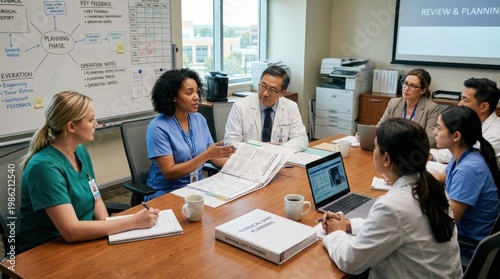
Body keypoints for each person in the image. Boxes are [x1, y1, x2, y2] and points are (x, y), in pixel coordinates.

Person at [18, 91, 160, 254]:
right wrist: (132, 222)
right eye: (91, 120)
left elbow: (95, 196)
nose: (96, 124)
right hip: (47, 250)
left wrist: (110, 228)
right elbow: (71, 231)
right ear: (71, 126)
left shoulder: (80, 151)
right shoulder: (44, 167)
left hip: (82, 239)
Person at [322, 118, 462, 278]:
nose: (373, 151)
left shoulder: (392, 206)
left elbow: (350, 261)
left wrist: (336, 233)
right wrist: (348, 225)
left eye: (375, 147)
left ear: (387, 159)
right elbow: (399, 228)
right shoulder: (431, 185)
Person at [146, 68, 235, 200]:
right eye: (189, 93)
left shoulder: (199, 118)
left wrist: (241, 168)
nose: (196, 97)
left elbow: (214, 157)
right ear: (173, 97)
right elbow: (170, 173)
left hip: (197, 186)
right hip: (167, 192)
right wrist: (207, 155)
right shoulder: (157, 128)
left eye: (197, 92)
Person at [432, 106, 500, 253]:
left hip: (466, 245)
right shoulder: (465, 155)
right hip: (460, 236)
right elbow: (439, 177)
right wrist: (407, 175)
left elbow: (448, 222)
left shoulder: (469, 169)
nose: (434, 132)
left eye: (439, 128)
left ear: (456, 136)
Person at [224, 65, 308, 152]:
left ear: (282, 93)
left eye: (272, 90)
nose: (265, 93)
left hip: (279, 158)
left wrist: (278, 149)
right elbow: (231, 142)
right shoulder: (240, 106)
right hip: (249, 159)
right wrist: (261, 148)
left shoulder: (291, 106)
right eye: (263, 86)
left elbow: (301, 139)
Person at [430, 78, 500, 167]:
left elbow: (466, 156)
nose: (459, 104)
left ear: (484, 107)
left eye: (465, 100)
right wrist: (431, 155)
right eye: (461, 98)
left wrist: (431, 157)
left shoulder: (496, 135)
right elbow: (456, 148)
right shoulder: (469, 123)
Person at [376, 68, 439, 147]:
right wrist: (368, 134)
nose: (406, 88)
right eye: (405, 83)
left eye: (412, 86)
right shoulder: (394, 103)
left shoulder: (431, 108)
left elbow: (431, 140)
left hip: (413, 152)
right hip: (393, 148)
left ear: (423, 90)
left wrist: (402, 142)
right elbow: (379, 127)